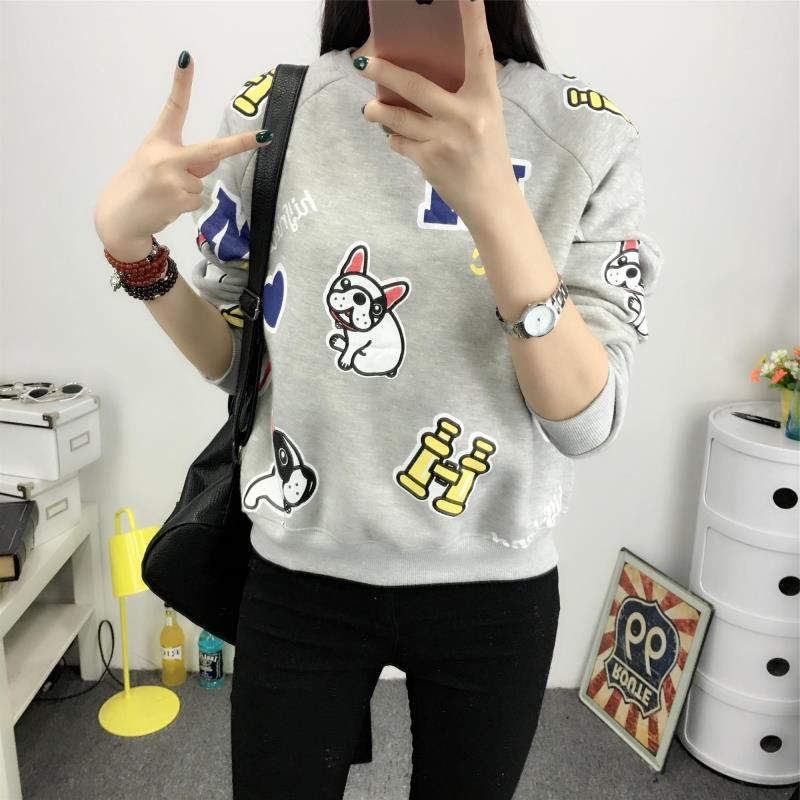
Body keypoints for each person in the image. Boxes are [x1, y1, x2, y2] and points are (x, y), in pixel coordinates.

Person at [94, 1, 664, 797]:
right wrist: (132, 252)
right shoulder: (274, 113)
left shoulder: (586, 131)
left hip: (493, 584)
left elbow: (586, 423)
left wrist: (495, 206)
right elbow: (239, 364)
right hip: (299, 570)